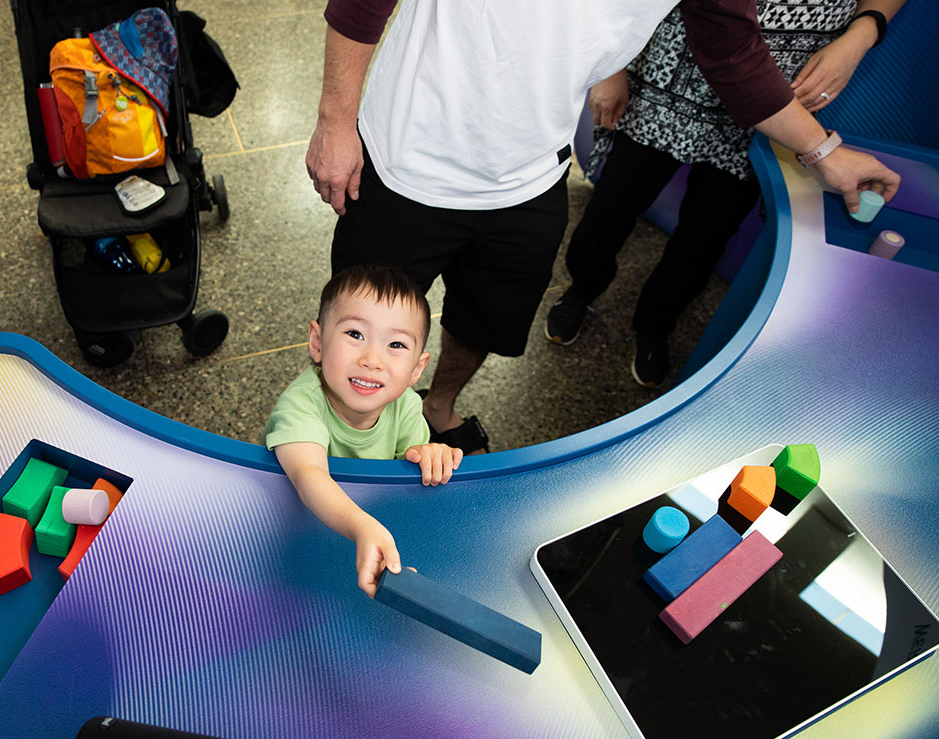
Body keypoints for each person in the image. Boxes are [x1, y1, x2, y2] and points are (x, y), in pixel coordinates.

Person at [306, 0, 900, 454]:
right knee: (364, 325)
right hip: (407, 156)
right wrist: (336, 120)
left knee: (484, 318)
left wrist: (826, 154)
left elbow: (732, 52)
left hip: (528, 173)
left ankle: (437, 405)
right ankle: (348, 429)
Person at [547, 0, 905, 387]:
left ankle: (657, 324)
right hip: (669, 78)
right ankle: (581, 289)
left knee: (705, 238)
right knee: (611, 207)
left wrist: (861, 33)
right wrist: (611, 65)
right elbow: (727, 47)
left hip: (780, 109)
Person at [264, 264, 463, 597]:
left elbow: (408, 485)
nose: (373, 359)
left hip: (363, 528)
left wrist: (430, 455)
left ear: (416, 369)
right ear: (317, 342)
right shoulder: (300, 405)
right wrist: (362, 526)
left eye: (396, 345)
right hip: (293, 521)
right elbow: (308, 476)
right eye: (355, 334)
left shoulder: (408, 407)